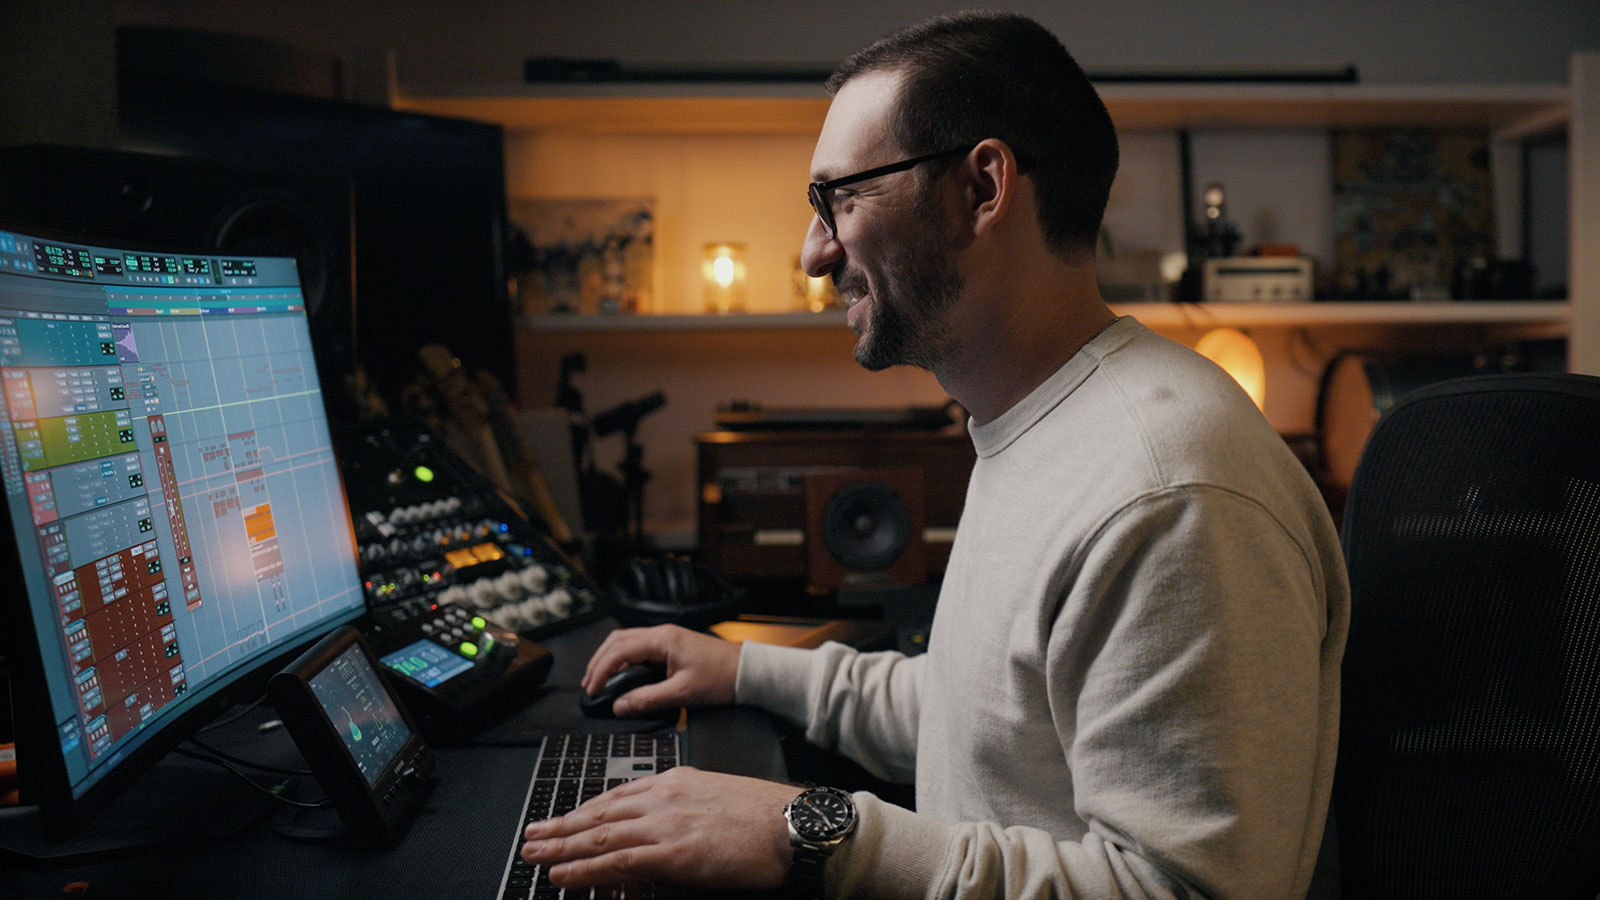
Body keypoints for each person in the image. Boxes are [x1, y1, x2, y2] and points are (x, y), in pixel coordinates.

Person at [520, 11, 1349, 899]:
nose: (811, 254)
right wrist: (744, 667)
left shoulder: (1170, 494)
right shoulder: (1037, 426)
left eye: (841, 197)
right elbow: (981, 719)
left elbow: (1182, 890)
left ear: (981, 189)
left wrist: (806, 833)